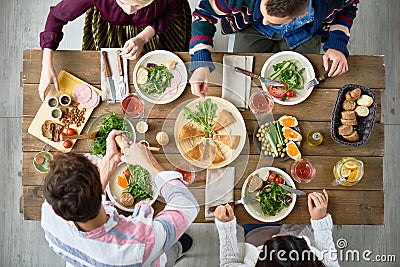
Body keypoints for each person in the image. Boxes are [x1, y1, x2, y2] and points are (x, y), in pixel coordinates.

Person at [41, 130, 199, 266]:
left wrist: (111, 159)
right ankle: (177, 249)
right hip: (138, 260)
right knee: (168, 253)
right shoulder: (139, 245)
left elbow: (83, 194)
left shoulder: (50, 209)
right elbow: (187, 205)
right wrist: (149, 163)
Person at [189, 0, 359, 98]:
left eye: (272, 20)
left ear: (303, 13)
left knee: (305, 84)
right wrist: (201, 62)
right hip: (252, 27)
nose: (266, 21)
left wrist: (338, 43)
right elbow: (203, 14)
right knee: (239, 81)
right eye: (264, 14)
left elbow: (349, 7)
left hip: (305, 32)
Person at [38, 0, 191, 100]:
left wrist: (144, 37)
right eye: (123, 2)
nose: (130, 10)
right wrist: (46, 63)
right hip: (109, 27)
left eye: (140, 5)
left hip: (155, 27)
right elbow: (56, 17)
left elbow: (173, 11)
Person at [214, 189, 339, 266]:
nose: (275, 236)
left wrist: (226, 227)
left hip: (254, 234)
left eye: (271, 242)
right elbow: (327, 251)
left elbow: (228, 263)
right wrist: (320, 219)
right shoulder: (324, 264)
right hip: (297, 225)